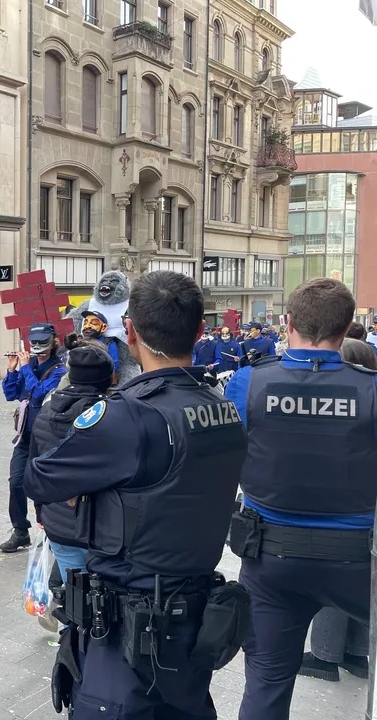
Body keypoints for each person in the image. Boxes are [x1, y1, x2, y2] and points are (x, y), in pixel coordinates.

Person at [34, 271, 246, 718]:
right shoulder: (222, 407)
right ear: (200, 331)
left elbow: (40, 479)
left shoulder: (129, 415)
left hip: (126, 630)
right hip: (193, 619)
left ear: (129, 331)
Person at [225, 278, 377, 720]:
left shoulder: (249, 381)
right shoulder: (370, 389)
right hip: (357, 560)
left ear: (288, 323)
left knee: (266, 685)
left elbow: (226, 457)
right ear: (346, 329)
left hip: (271, 559)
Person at [295, 335, 377, 683]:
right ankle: (357, 653)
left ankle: (324, 655)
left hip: (337, 515)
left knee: (332, 581)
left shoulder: (338, 405)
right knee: (364, 581)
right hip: (367, 513)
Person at [25, 339, 114, 632]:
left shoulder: (46, 411)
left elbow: (35, 469)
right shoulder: (112, 415)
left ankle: (70, 644)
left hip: (59, 523)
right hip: (103, 528)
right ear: (109, 379)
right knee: (105, 604)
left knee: (75, 596)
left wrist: (41, 512)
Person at [0, 323, 66, 553]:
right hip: (25, 436)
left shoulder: (59, 370)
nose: (37, 347)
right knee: (16, 481)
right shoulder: (30, 365)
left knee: (42, 485)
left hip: (46, 436)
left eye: (42, 342)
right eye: (33, 342)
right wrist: (12, 370)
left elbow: (38, 393)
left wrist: (26, 368)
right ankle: (20, 531)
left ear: (53, 342)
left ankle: (49, 529)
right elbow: (11, 394)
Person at [79, 311, 121, 381]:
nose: (87, 326)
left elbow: (114, 366)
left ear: (103, 327)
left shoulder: (108, 344)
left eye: (94, 323)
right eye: (85, 323)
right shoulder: (80, 342)